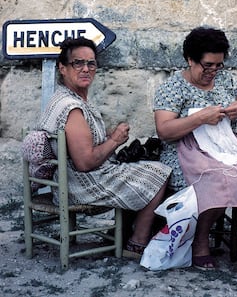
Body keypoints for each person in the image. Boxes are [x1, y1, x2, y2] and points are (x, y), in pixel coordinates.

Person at [153, 26, 237, 271]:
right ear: (190, 60)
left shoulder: (225, 80)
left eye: (218, 65)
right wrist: (200, 118)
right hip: (186, 150)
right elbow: (164, 131)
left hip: (225, 147)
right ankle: (200, 243)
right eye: (207, 65)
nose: (213, 71)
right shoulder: (172, 87)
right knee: (213, 180)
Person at [35, 37, 172, 258]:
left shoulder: (63, 98)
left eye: (91, 63)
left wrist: (105, 136)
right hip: (80, 186)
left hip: (69, 180)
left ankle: (123, 230)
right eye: (77, 63)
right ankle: (137, 242)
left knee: (139, 165)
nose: (86, 69)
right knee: (161, 172)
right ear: (62, 68)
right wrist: (115, 140)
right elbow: (85, 162)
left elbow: (80, 141)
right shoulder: (72, 108)